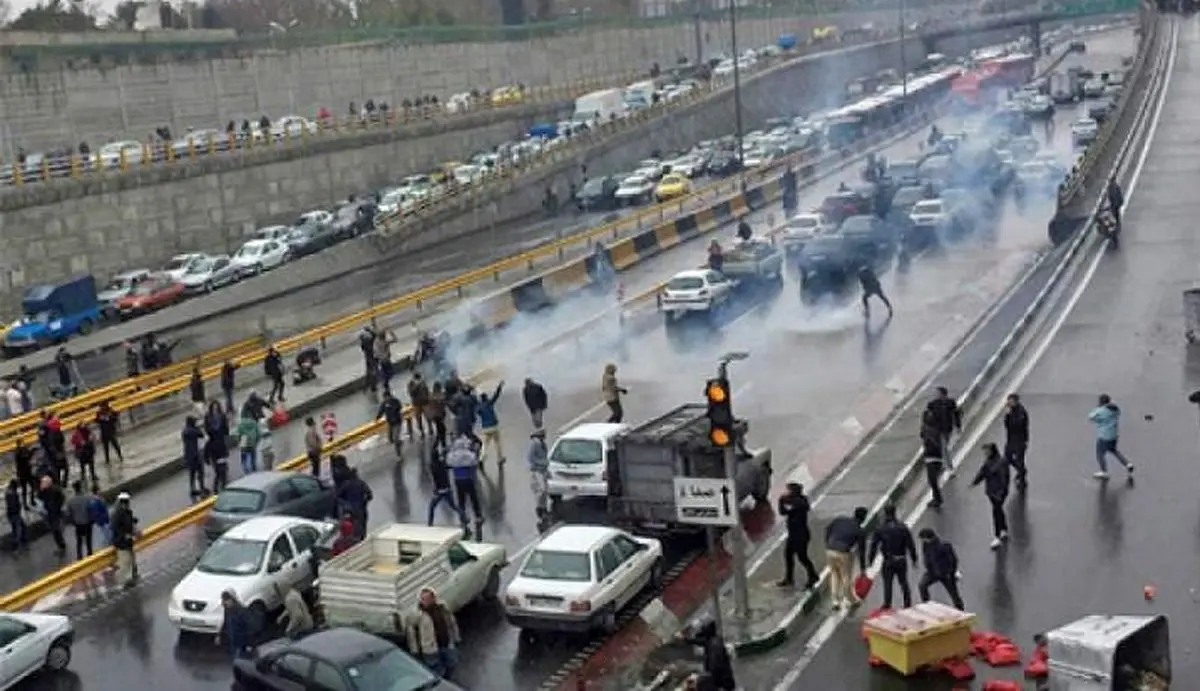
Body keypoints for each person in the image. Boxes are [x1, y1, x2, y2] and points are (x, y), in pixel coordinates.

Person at [868, 504, 917, 609]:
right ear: (895, 512)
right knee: (903, 582)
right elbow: (910, 544)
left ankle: (887, 604)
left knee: (887, 583)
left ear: (885, 513)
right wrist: (914, 559)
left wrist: (870, 560)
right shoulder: (903, 527)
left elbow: (874, 545)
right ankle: (907, 603)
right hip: (901, 559)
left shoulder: (880, 528)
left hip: (888, 560)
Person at [408, 588, 460, 678]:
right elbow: (411, 633)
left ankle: (447, 678)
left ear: (433, 598)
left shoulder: (442, 607)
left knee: (452, 663)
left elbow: (451, 622)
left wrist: (456, 636)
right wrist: (415, 650)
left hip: (446, 643)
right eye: (423, 599)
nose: (425, 601)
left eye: (428, 598)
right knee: (436, 670)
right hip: (430, 649)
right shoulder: (417, 614)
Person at [824, 506, 869, 610]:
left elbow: (827, 529)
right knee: (845, 576)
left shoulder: (840, 519)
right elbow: (861, 551)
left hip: (830, 550)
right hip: (843, 552)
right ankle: (851, 599)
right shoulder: (860, 531)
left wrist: (827, 543)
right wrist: (863, 568)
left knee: (834, 574)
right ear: (864, 518)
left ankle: (835, 601)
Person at [777, 482, 819, 589]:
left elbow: (789, 510)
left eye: (789, 490)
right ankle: (789, 578)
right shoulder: (793, 501)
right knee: (788, 555)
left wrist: (783, 502)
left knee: (802, 557)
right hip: (792, 534)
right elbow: (782, 511)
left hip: (800, 534)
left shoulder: (800, 502)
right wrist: (781, 502)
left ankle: (813, 576)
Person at [970, 442, 1011, 549]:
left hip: (998, 492)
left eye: (986, 451)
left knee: (996, 512)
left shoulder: (1001, 462)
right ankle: (1004, 529)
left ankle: (997, 536)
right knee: (998, 510)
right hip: (991, 492)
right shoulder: (988, 462)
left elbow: (1004, 478)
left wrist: (1002, 492)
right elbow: (982, 473)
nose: (985, 453)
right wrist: (974, 482)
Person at [917, 528, 964, 610]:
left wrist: (951, 572)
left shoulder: (944, 546)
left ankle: (960, 609)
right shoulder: (925, 545)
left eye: (922, 538)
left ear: (927, 537)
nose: (922, 540)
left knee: (954, 593)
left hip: (945, 574)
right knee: (922, 586)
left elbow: (953, 560)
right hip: (932, 572)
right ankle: (927, 605)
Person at [1088, 393, 1134, 479]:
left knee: (1100, 454)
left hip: (1104, 436)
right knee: (1114, 451)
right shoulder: (1115, 409)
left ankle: (1104, 471)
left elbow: (1091, 416)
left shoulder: (1101, 410)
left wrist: (1098, 409)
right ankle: (1128, 464)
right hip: (1113, 436)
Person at [427, 445, 467, 527]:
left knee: (432, 507)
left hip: (439, 490)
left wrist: (434, 489)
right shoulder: (442, 464)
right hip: (447, 488)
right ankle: (465, 518)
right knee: (454, 506)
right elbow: (448, 465)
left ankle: (430, 523)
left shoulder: (432, 466)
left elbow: (433, 479)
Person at [447, 436, 483, 525]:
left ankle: (462, 518)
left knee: (461, 500)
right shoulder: (468, 455)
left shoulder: (452, 455)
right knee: (473, 498)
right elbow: (474, 462)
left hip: (458, 480)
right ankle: (478, 516)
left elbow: (448, 463)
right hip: (468, 478)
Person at [925, 387, 962, 466]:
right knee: (943, 447)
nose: (936, 395)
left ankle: (946, 463)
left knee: (945, 447)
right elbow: (928, 416)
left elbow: (956, 414)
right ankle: (948, 464)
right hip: (937, 430)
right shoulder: (932, 404)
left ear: (942, 394)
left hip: (947, 428)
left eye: (937, 393)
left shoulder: (950, 402)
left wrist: (958, 426)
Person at [336, 468, 373, 540]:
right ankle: (362, 539)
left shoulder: (346, 484)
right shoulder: (361, 483)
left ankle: (353, 539)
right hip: (361, 508)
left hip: (350, 509)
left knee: (352, 526)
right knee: (362, 525)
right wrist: (364, 502)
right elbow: (370, 495)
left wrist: (345, 504)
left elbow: (337, 496)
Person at [920, 409, 947, 508]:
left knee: (932, 480)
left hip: (931, 457)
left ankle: (938, 499)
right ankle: (936, 498)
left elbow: (922, 436)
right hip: (937, 456)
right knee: (933, 480)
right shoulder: (936, 428)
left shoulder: (926, 429)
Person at [1003, 393, 1030, 489]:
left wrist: (1009, 415)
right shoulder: (1010, 412)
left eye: (1010, 401)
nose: (1009, 403)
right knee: (1007, 457)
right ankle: (1021, 470)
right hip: (1011, 439)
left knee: (1020, 460)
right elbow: (1007, 425)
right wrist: (1007, 416)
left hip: (1020, 440)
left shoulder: (1021, 412)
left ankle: (1022, 480)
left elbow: (1018, 425)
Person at [477, 381, 506, 467]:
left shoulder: (479, 407)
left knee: (485, 444)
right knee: (497, 442)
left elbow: (478, 412)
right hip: (494, 426)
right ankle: (500, 458)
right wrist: (499, 387)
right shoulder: (489, 403)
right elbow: (496, 395)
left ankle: (481, 458)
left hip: (485, 428)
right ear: (486, 398)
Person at [204, 401, 231, 491]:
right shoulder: (208, 417)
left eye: (216, 407)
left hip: (221, 446)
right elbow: (207, 429)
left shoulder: (222, 416)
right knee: (219, 471)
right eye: (214, 407)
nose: (215, 409)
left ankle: (221, 486)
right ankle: (218, 487)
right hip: (215, 450)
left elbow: (226, 428)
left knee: (222, 470)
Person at [65, 480, 95, 559]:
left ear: (74, 489)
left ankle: (79, 555)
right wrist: (92, 520)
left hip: (78, 524)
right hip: (87, 522)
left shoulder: (70, 501)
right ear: (81, 487)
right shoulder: (87, 498)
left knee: (79, 541)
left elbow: (68, 514)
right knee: (88, 540)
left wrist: (73, 522)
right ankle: (90, 554)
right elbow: (91, 510)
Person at [37, 475, 67, 555]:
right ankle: (61, 545)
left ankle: (61, 546)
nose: (42, 484)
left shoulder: (55, 490)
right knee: (55, 530)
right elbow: (39, 497)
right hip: (50, 512)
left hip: (55, 513)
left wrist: (57, 507)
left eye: (43, 483)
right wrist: (41, 489)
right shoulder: (45, 491)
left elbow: (62, 498)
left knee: (56, 530)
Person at [218, 590, 253, 657]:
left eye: (226, 601)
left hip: (241, 641)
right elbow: (226, 622)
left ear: (231, 600)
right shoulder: (227, 609)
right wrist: (219, 635)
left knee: (239, 657)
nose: (224, 603)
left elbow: (248, 628)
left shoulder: (241, 611)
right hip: (233, 640)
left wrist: (249, 644)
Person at [182, 415, 207, 496]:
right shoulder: (192, 430)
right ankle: (202, 488)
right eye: (194, 421)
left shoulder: (184, 431)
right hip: (195, 455)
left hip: (188, 455)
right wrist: (198, 427)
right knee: (200, 472)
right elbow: (201, 435)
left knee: (192, 473)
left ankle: (192, 489)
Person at [527, 428, 550, 514]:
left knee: (545, 491)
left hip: (543, 471)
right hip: (537, 471)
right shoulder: (534, 445)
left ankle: (543, 508)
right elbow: (530, 457)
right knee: (540, 491)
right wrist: (543, 462)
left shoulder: (543, 444)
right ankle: (540, 509)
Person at [95, 400, 123, 465]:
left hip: (111, 431)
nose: (102, 408)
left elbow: (116, 417)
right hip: (104, 432)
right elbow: (96, 420)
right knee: (106, 447)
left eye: (102, 406)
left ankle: (120, 456)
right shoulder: (99, 413)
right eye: (101, 406)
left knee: (115, 445)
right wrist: (101, 419)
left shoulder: (110, 411)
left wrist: (109, 418)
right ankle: (107, 459)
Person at [377, 391, 405, 455]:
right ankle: (399, 442)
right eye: (384, 398)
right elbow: (381, 411)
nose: (386, 399)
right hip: (390, 423)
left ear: (389, 396)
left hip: (397, 422)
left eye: (387, 397)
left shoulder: (395, 401)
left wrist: (393, 408)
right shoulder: (384, 403)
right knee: (390, 439)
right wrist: (377, 418)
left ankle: (399, 454)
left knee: (395, 438)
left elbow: (400, 407)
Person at [12, 439, 35, 509]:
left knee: (32, 486)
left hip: (27, 472)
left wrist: (31, 451)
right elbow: (24, 457)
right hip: (22, 473)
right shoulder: (17, 452)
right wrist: (31, 451)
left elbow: (28, 456)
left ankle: (31, 500)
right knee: (25, 489)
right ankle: (25, 504)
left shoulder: (24, 449)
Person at [427, 382, 449, 451]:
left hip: (435, 416)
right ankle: (439, 445)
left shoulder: (431, 395)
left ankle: (441, 445)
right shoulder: (437, 396)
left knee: (441, 430)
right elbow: (441, 403)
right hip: (438, 416)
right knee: (441, 430)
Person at [406, 373, 429, 438]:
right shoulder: (411, 384)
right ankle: (422, 432)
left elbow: (426, 390)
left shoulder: (423, 382)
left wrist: (428, 397)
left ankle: (430, 428)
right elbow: (411, 393)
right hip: (416, 403)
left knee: (428, 416)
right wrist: (417, 385)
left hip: (425, 402)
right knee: (418, 419)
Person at [4, 479, 26, 548]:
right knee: (20, 528)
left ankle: (17, 541)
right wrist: (18, 508)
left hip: (11, 513)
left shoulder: (8, 491)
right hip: (15, 513)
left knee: (16, 528)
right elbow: (14, 504)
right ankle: (18, 543)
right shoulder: (13, 493)